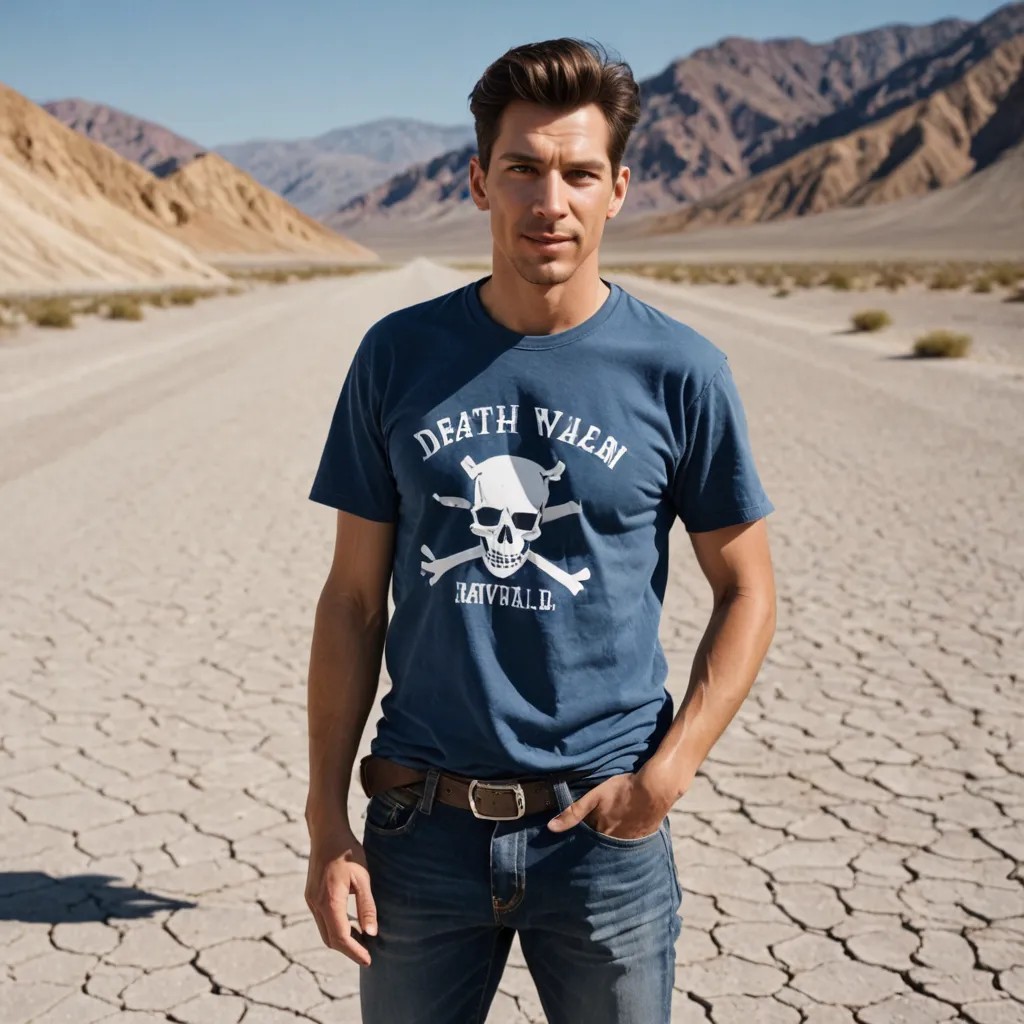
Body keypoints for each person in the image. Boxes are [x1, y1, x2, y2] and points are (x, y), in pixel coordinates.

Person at [303, 36, 777, 1024]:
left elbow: (748, 587)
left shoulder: (679, 372)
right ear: (478, 181)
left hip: (602, 834)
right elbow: (352, 599)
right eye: (521, 169)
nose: (546, 200)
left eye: (576, 172)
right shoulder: (397, 356)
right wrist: (326, 824)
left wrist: (667, 773)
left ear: (618, 190)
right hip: (417, 825)